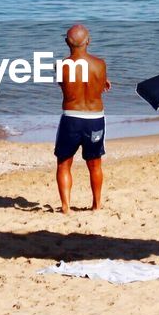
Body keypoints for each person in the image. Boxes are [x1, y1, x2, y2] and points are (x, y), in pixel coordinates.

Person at [54, 24, 110, 213]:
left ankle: (66, 206)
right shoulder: (101, 64)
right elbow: (101, 85)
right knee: (95, 164)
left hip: (71, 118)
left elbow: (65, 86)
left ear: (66, 42)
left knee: (64, 163)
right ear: (88, 41)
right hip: (95, 118)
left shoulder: (61, 65)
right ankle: (96, 205)